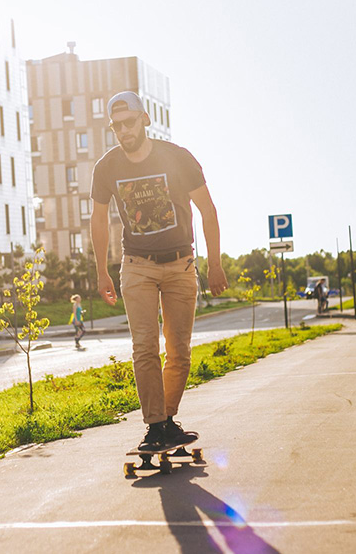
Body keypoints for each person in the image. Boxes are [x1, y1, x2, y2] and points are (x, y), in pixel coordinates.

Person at [90, 90, 228, 453]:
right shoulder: (106, 168)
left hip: (182, 264)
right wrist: (101, 270)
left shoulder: (178, 158)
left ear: (145, 120)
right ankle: (155, 426)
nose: (123, 131)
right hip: (136, 267)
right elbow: (99, 219)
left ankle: (166, 420)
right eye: (116, 126)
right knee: (145, 347)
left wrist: (214, 263)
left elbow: (208, 210)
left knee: (179, 351)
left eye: (129, 123)